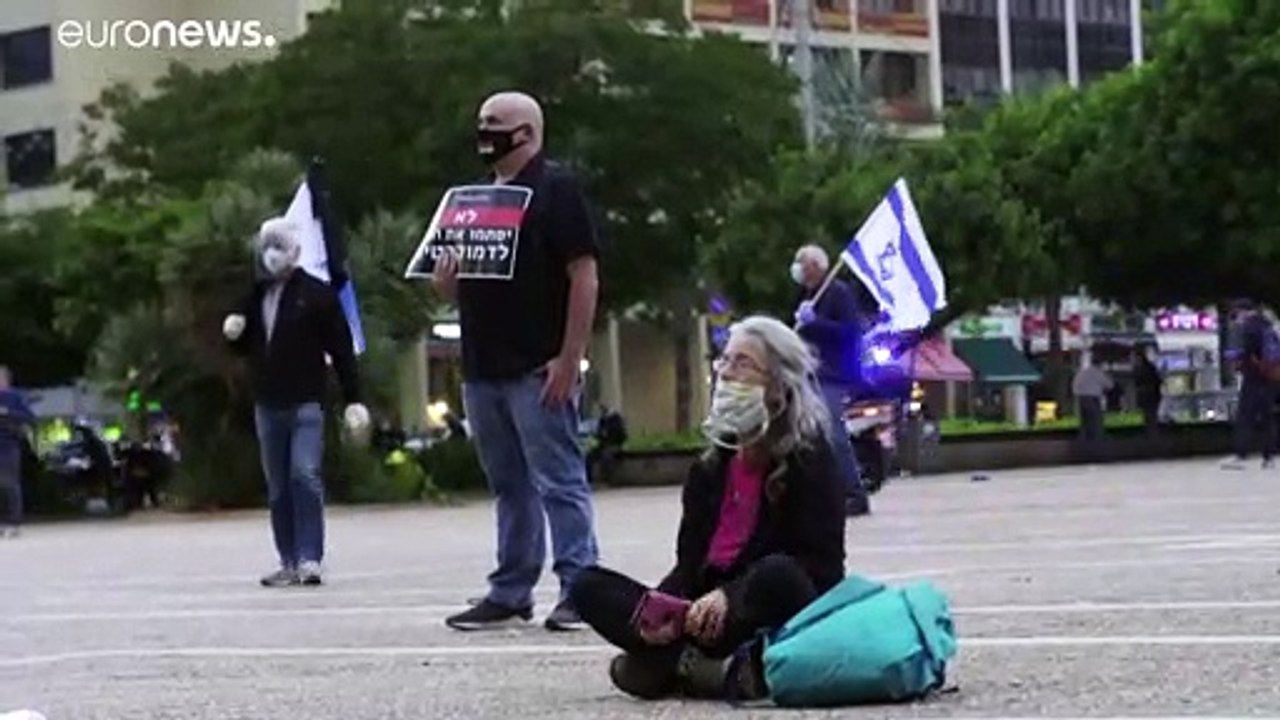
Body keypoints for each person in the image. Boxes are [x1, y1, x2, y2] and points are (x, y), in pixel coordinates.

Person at [570, 316, 846, 701]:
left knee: (777, 574)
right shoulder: (709, 469)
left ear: (778, 385)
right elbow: (689, 564)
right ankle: (701, 665)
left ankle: (671, 665)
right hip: (702, 616)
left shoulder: (809, 458)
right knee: (585, 585)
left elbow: (821, 565)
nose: (726, 374)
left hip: (767, 607)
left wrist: (731, 596)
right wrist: (661, 609)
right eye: (724, 361)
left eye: (743, 364)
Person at [433, 91, 601, 632]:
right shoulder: (475, 200)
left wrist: (569, 355)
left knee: (559, 479)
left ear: (527, 132)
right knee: (509, 483)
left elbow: (584, 273)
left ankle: (581, 587)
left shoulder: (556, 189)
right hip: (483, 365)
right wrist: (446, 278)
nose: (484, 132)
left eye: (495, 124)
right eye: (481, 122)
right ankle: (510, 589)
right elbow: (459, 290)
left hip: (537, 363)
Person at [223, 217, 369, 587]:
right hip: (268, 402)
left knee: (304, 474)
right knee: (278, 485)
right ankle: (287, 558)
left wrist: (354, 398)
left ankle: (309, 557)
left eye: (280, 245)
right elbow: (243, 346)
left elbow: (341, 349)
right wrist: (234, 333)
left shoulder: (317, 295)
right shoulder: (255, 295)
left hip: (306, 400)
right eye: (267, 245)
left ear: (296, 251)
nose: (273, 253)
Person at [791, 244, 870, 517]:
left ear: (816, 265)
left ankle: (855, 493)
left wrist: (816, 322)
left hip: (833, 375)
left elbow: (850, 332)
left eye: (802, 262)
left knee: (834, 435)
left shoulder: (837, 292)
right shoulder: (807, 295)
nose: (798, 268)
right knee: (810, 436)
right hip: (810, 373)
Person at [1223, 299, 1277, 470]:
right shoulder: (1267, 326)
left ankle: (1241, 454)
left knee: (1244, 417)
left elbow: (1245, 352)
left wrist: (1238, 361)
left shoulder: (1249, 328)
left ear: (1242, 311)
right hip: (1270, 377)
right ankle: (1269, 457)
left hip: (1253, 378)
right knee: (1268, 419)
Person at [0, 367, 35, 536]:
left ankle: (14, 522)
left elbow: (29, 417)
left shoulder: (15, 397)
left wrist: (7, 412)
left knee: (10, 484)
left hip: (8, 445)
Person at [1072, 360, 1113, 445]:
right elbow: (1109, 385)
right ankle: (1097, 444)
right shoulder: (1098, 372)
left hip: (1080, 399)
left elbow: (1074, 385)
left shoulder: (1082, 372)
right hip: (1093, 399)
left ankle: (1082, 444)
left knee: (1084, 423)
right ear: (1099, 364)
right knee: (1096, 422)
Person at [1133, 349, 1163, 436]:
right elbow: (1157, 380)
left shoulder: (1141, 369)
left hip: (1148, 394)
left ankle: (1150, 432)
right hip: (1152, 394)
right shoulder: (1150, 367)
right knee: (1151, 414)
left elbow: (1139, 381)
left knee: (1149, 414)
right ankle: (1152, 432)